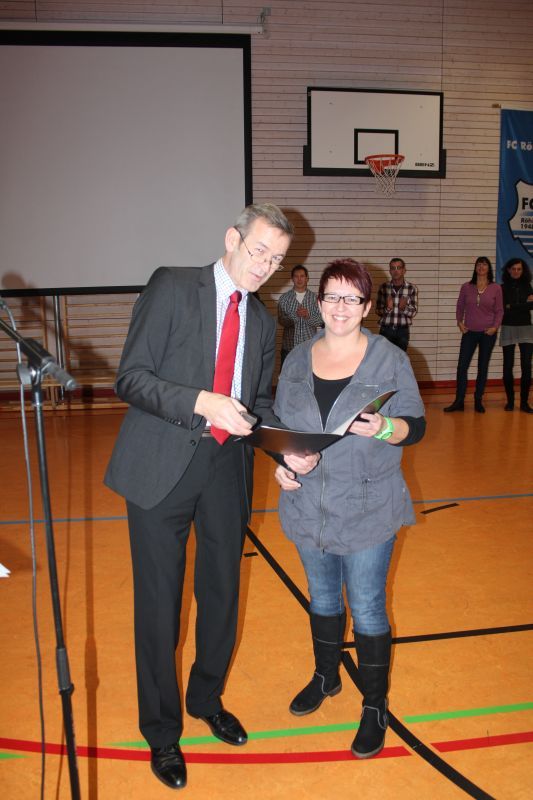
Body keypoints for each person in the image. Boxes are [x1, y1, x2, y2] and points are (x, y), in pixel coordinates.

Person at [104, 203, 318, 791]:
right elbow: (131, 378)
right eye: (259, 251)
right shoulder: (173, 287)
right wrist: (202, 401)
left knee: (221, 595)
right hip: (160, 467)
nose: (265, 267)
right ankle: (161, 732)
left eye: (277, 260)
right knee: (160, 606)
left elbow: (259, 404)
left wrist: (286, 450)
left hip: (226, 469)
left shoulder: (262, 318)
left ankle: (205, 699)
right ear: (232, 238)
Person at [273, 258, 426, 760]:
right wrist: (282, 462)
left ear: (367, 306)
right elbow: (281, 427)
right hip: (307, 504)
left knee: (366, 606)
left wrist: (386, 428)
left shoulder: (389, 359)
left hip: (367, 507)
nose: (341, 307)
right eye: (332, 297)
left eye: (352, 298)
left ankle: (375, 705)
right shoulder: (296, 360)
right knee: (321, 598)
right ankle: (326, 676)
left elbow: (415, 425)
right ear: (319, 303)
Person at [444, 256, 504, 413]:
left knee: (482, 367)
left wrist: (495, 327)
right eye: (479, 264)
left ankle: (478, 400)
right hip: (469, 332)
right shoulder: (466, 287)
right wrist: (459, 322)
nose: (481, 267)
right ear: (475, 267)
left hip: (487, 334)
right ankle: (459, 401)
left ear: (489, 268)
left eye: (484, 264)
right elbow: (460, 306)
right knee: (462, 367)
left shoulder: (496, 288)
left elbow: (499, 310)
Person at [499, 257, 533, 413]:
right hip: (508, 327)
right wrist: (524, 304)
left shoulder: (528, 286)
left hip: (526, 328)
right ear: (508, 270)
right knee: (508, 366)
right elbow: (503, 308)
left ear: (523, 270)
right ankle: (510, 402)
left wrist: (511, 306)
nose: (516, 271)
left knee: (526, 366)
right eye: (513, 269)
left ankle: (524, 403)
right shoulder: (501, 288)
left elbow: (531, 305)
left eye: (519, 269)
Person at [278, 264, 323, 365]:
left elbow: (320, 321)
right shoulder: (284, 298)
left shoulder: (314, 299)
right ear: (292, 279)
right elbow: (282, 321)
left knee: (309, 374)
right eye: (296, 276)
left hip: (309, 347)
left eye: (302, 276)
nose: (299, 279)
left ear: (307, 278)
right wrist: (295, 316)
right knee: (287, 374)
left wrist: (308, 316)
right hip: (289, 348)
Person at [376, 257, 418, 351]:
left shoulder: (411, 288)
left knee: (400, 358)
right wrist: (387, 308)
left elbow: (413, 312)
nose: (396, 271)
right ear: (390, 271)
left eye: (398, 268)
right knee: (384, 357)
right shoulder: (383, 287)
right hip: (386, 330)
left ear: (404, 270)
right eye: (393, 268)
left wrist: (403, 308)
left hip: (402, 331)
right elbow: (378, 311)